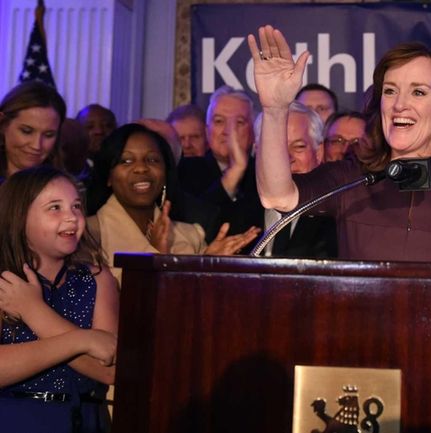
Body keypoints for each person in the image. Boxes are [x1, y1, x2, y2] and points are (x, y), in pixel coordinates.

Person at [248, 25, 431, 264]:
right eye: (390, 90)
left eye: (418, 92)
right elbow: (277, 195)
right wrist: (275, 109)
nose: (399, 104)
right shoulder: (352, 179)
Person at [0, 166, 118, 433]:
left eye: (76, 206)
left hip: (84, 419)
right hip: (14, 419)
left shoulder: (98, 279)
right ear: (19, 218)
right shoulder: (5, 283)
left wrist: (34, 311)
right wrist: (81, 340)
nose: (72, 217)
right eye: (55, 207)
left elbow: (109, 369)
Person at [86, 124, 259, 283]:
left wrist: (208, 265)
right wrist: (155, 255)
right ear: (108, 176)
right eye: (127, 161)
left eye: (152, 160)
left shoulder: (192, 234)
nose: (141, 168)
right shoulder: (88, 234)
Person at [177, 85, 264, 250]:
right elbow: (193, 227)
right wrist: (234, 173)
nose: (228, 131)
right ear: (207, 131)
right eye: (219, 121)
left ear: (253, 132)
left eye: (239, 122)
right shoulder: (186, 170)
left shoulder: (264, 175)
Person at [253, 102, 337, 258]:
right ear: (258, 152)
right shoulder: (235, 215)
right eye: (276, 148)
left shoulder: (336, 218)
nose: (287, 158)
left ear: (318, 153)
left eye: (298, 146)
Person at [0, 81, 66, 182]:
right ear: (3, 125)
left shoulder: (65, 188)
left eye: (49, 135)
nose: (37, 146)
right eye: (27, 131)